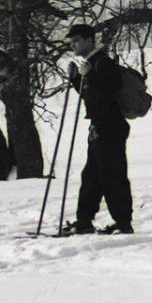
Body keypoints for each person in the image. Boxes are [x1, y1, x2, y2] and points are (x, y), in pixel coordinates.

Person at [64, 23, 135, 235]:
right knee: (92, 175)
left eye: (76, 41)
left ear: (89, 40)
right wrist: (77, 79)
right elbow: (91, 96)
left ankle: (123, 222)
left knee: (112, 175)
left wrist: (89, 75)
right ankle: (84, 220)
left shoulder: (103, 62)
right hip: (99, 125)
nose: (73, 45)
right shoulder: (91, 63)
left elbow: (109, 91)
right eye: (71, 42)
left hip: (110, 125)